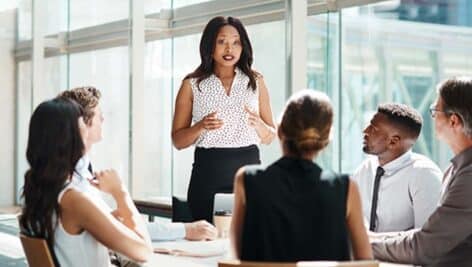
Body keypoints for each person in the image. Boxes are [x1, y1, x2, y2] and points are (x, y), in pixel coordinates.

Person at [58, 86, 217, 241]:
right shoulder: (74, 186)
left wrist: (111, 217)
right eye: (98, 114)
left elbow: (110, 225)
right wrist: (186, 230)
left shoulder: (74, 173)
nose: (103, 119)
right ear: (82, 124)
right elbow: (129, 238)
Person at [230, 90, 372, 262]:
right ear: (326, 139)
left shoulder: (247, 180)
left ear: (280, 131)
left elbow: (237, 257)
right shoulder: (346, 188)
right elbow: (365, 263)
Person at [19, 98, 152, 266]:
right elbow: (143, 252)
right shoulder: (73, 199)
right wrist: (120, 192)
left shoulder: (40, 191)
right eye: (83, 126)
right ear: (70, 138)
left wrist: (103, 219)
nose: (88, 132)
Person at [172, 16, 276, 222]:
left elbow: (270, 136)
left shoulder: (256, 82)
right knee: (208, 239)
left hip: (248, 173)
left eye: (236, 42)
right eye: (222, 42)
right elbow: (177, 140)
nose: (230, 49)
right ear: (210, 45)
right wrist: (200, 126)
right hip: (208, 174)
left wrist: (259, 125)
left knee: (248, 241)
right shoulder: (192, 84)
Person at [371, 77, 472, 267]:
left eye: (435, 111)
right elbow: (427, 234)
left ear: (453, 121)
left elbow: (425, 247)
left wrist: (364, 243)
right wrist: (372, 238)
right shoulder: (455, 169)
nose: (432, 116)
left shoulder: (468, 178)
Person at [353, 103, 442, 232]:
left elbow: (428, 241)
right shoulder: (365, 169)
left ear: (393, 141)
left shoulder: (424, 175)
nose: (365, 131)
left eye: (373, 129)